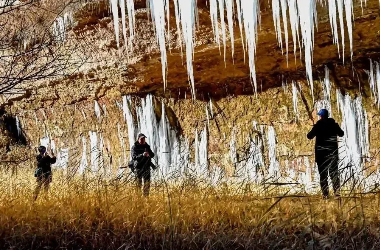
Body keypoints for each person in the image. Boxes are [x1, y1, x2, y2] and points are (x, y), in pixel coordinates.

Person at [307, 109, 344, 199]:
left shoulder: (318, 126)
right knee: (334, 174)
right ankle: (337, 194)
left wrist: (316, 129)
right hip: (332, 154)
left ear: (321, 116)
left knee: (323, 175)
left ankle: (325, 195)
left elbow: (309, 136)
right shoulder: (334, 125)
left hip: (321, 155)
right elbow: (341, 134)